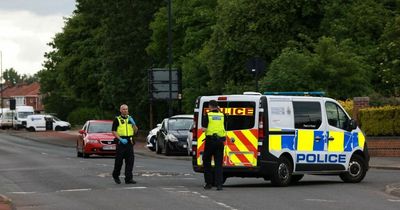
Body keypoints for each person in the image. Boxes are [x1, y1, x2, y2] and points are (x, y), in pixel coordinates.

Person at [202, 100, 226, 191]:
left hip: (210, 141)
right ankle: (219, 185)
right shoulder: (222, 115)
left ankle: (209, 184)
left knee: (207, 161)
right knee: (218, 163)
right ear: (217, 106)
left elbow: (204, 129)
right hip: (220, 142)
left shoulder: (208, 115)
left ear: (210, 106)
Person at [112, 104, 138, 184]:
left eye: (126, 109)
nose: (125, 110)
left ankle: (128, 178)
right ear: (120, 110)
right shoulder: (117, 119)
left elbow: (136, 131)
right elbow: (114, 131)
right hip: (121, 142)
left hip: (129, 142)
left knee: (130, 161)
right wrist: (120, 139)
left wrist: (133, 124)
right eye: (123, 109)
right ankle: (115, 175)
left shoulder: (130, 119)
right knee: (119, 161)